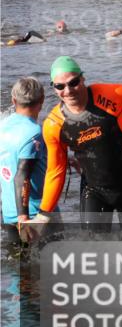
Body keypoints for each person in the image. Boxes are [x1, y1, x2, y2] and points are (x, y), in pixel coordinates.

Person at [23, 56, 122, 242]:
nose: (68, 91)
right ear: (54, 88)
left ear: (83, 79)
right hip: (94, 190)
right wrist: (44, 214)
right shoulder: (54, 124)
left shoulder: (113, 94)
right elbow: (55, 171)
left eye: (73, 82)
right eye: (60, 86)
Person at [0, 78, 56, 243]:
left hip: (9, 214)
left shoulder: (3, 126)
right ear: (42, 100)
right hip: (35, 215)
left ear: (13, 100)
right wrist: (23, 218)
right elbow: (21, 176)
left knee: (20, 266)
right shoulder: (35, 133)